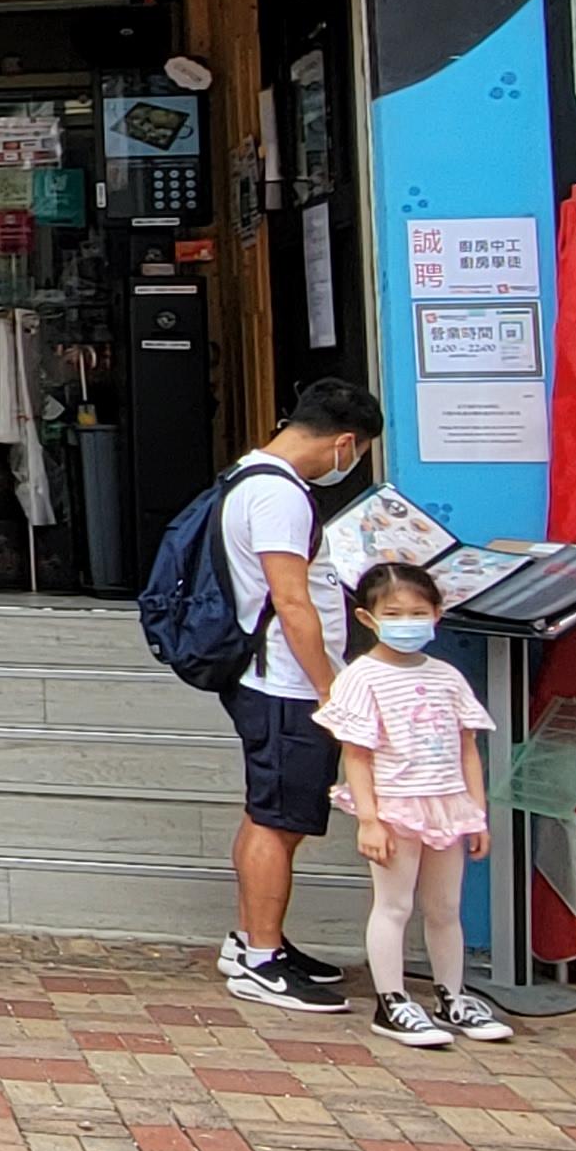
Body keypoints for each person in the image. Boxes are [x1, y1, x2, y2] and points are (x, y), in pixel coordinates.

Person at [217, 377, 383, 1013]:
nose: (353, 462)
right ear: (344, 442)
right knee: (278, 821)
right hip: (286, 682)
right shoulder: (280, 495)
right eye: (358, 451)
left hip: (272, 678)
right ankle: (261, 961)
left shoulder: (249, 475)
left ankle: (253, 940)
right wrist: (328, 689)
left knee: (268, 812)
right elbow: (291, 600)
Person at [320, 560, 513, 1050]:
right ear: (368, 618)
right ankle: (392, 1002)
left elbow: (467, 748)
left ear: (437, 614)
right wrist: (369, 819)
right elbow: (356, 755)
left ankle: (452, 996)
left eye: (418, 613)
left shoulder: (448, 677)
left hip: (447, 806)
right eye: (394, 614)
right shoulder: (361, 677)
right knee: (394, 905)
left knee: (445, 907)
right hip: (395, 808)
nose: (407, 623)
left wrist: (476, 813)